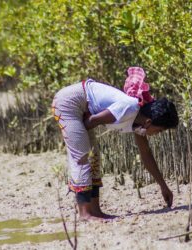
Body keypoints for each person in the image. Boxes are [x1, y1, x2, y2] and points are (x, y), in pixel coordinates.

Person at [52, 67, 178, 221]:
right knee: (83, 156)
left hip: (84, 109)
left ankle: (96, 211)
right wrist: (74, 138)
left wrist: (163, 186)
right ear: (149, 122)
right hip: (68, 102)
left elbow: (146, 154)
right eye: (158, 131)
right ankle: (85, 213)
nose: (155, 135)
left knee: (94, 158)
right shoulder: (130, 107)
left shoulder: (140, 123)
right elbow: (92, 121)